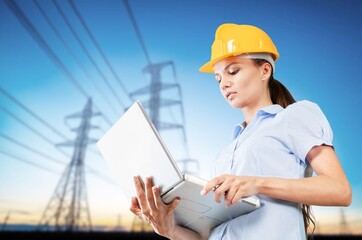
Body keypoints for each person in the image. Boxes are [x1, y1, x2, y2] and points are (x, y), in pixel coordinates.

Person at [130, 23, 352, 240]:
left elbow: (339, 190)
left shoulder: (293, 116)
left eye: (232, 71)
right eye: (218, 78)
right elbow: (212, 234)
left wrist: (256, 184)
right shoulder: (225, 155)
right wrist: (169, 229)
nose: (223, 84)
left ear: (265, 70)